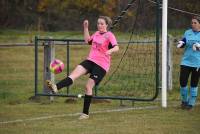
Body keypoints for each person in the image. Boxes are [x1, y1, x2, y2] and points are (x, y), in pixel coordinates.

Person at [46, 16, 119, 119]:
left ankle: (85, 114)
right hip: (90, 60)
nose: (100, 25)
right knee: (73, 75)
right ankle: (56, 87)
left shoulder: (109, 35)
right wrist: (85, 28)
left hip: (101, 65)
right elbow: (88, 41)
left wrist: (110, 51)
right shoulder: (97, 34)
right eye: (98, 23)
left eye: (102, 23)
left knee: (88, 87)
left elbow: (116, 47)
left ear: (107, 25)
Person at [177, 16, 200, 110]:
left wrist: (199, 46)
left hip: (197, 63)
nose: (193, 24)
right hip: (186, 61)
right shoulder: (188, 32)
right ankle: (184, 101)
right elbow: (184, 41)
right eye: (192, 23)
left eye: (195, 23)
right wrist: (181, 43)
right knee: (182, 81)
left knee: (194, 83)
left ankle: (191, 104)